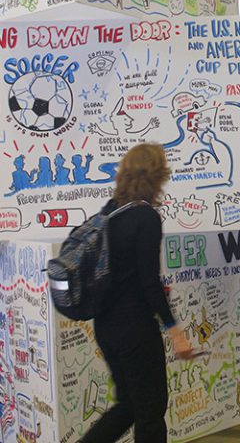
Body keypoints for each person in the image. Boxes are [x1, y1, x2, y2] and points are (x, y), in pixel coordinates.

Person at [80, 143, 193, 443]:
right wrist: (175, 330)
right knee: (151, 411)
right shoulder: (145, 217)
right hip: (135, 329)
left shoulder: (109, 212)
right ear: (156, 175)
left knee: (129, 405)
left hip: (106, 326)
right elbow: (148, 282)